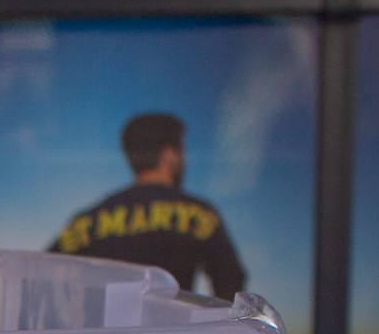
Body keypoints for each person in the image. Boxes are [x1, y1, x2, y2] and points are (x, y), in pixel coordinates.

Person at [50, 113, 246, 300]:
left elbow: (43, 273)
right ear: (170, 155)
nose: (184, 162)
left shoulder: (89, 221)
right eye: (182, 152)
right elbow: (231, 281)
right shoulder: (198, 215)